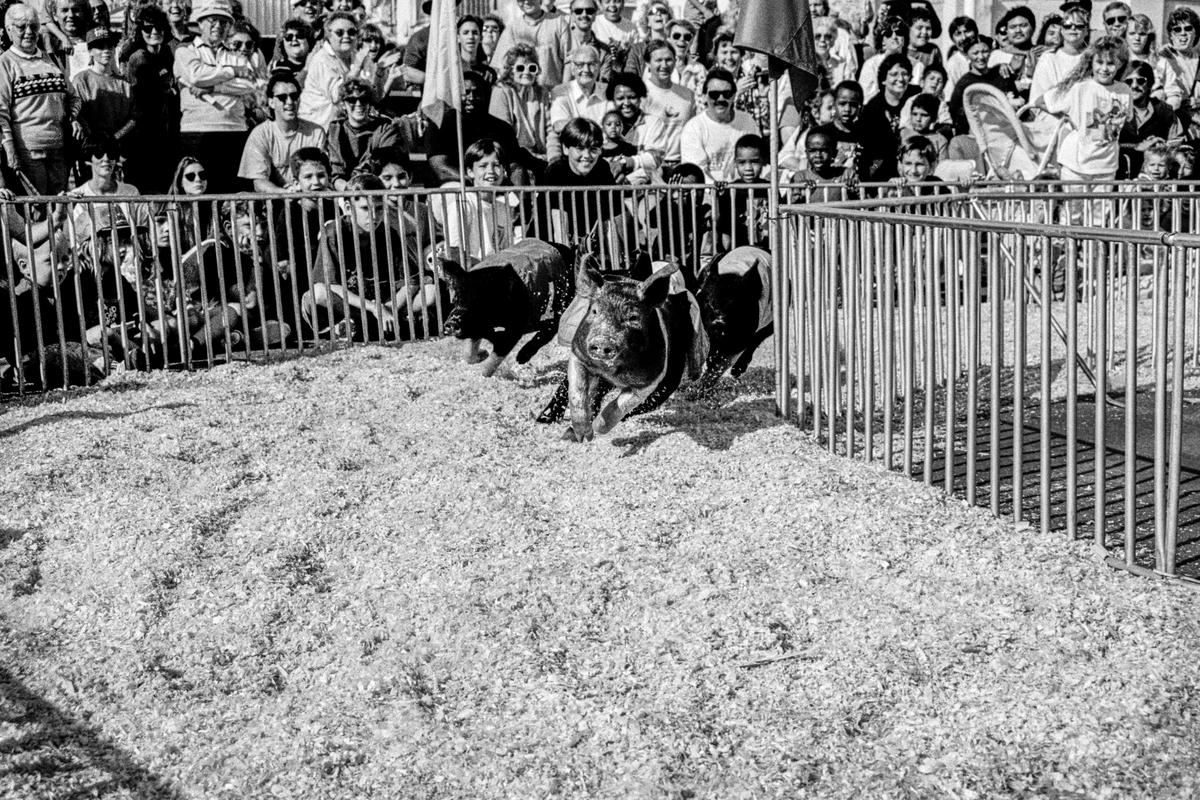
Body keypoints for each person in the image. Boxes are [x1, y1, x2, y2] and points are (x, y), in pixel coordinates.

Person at [302, 171, 416, 342]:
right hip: (350, 304)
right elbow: (328, 284)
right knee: (317, 294)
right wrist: (372, 307)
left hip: (383, 302)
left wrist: (388, 307)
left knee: (430, 292)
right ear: (348, 208)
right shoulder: (334, 232)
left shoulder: (388, 232)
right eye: (364, 208)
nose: (374, 216)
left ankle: (366, 325)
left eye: (379, 208)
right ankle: (355, 324)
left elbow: (411, 281)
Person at [1034, 36, 1132, 202]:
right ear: (1091, 62)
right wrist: (1067, 116)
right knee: (1073, 214)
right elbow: (1040, 101)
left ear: (1120, 64)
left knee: (1099, 217)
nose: (1104, 68)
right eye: (1099, 62)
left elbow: (1123, 120)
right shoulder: (1080, 87)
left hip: (1106, 165)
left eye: (1111, 63)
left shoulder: (1124, 90)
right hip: (1076, 164)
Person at [173, 0, 257, 193]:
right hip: (196, 132)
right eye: (212, 20)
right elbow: (196, 75)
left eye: (223, 21)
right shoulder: (185, 51)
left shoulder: (236, 54)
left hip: (235, 130)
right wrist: (231, 71)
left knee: (231, 192)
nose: (217, 26)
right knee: (198, 190)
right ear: (200, 23)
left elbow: (249, 84)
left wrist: (213, 87)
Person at [0, 3, 76, 195]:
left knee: (60, 209)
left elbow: (73, 97)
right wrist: (9, 150)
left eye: (34, 26)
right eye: (21, 27)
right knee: (38, 213)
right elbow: (1, 113)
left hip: (59, 150)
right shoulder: (5, 63)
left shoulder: (50, 60)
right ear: (9, 30)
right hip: (28, 151)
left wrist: (73, 118)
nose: (28, 32)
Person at [425, 70, 532, 186]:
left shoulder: (502, 128)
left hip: (496, 186)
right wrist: (477, 182)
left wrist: (517, 197)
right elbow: (441, 169)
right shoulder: (439, 125)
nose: (471, 97)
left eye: (477, 93)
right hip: (457, 188)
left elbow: (515, 167)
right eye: (466, 93)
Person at [431, 137, 523, 265]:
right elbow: (454, 252)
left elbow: (506, 250)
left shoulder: (503, 209)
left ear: (503, 171)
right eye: (483, 166)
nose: (490, 171)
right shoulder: (463, 204)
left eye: (496, 165)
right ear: (470, 172)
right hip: (472, 274)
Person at [239, 71, 327, 193]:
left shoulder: (316, 132)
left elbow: (323, 174)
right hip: (276, 201)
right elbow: (259, 182)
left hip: (311, 196)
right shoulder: (260, 134)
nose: (289, 102)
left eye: (294, 96)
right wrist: (286, 194)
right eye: (282, 97)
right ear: (271, 102)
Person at [539, 117, 615, 244]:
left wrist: (616, 263)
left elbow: (609, 223)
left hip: (584, 242)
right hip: (547, 245)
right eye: (580, 148)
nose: (587, 155)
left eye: (594, 149)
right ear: (565, 149)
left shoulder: (602, 168)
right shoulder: (556, 172)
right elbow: (560, 231)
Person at [299, 12, 375, 131]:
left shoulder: (356, 56)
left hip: (342, 126)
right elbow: (337, 95)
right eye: (339, 33)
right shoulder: (322, 60)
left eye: (351, 32)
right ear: (328, 36)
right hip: (317, 128)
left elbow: (369, 90)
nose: (346, 36)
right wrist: (357, 68)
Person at [679, 67, 757, 183]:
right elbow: (697, 172)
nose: (721, 99)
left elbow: (758, 160)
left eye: (727, 94)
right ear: (705, 96)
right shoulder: (694, 128)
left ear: (734, 95)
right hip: (708, 195)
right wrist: (719, 190)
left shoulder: (747, 121)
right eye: (714, 94)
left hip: (744, 192)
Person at [72, 26, 134, 160]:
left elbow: (133, 119)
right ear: (90, 51)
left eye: (110, 46)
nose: (106, 51)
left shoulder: (125, 83)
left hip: (119, 150)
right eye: (100, 47)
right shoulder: (81, 80)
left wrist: (115, 137)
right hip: (91, 151)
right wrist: (93, 138)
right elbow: (76, 115)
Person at [324, 78, 398, 187]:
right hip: (344, 192)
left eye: (363, 99)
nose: (358, 104)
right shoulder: (335, 129)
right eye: (352, 100)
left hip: (377, 188)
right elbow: (336, 172)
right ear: (343, 104)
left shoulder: (384, 127)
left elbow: (379, 162)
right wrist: (349, 192)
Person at [1118, 60, 1184, 178]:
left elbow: (1177, 144)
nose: (1134, 86)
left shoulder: (1165, 111)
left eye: (1140, 80)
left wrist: (1160, 146)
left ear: (1150, 83)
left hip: (1155, 182)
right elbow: (1102, 145)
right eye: (1128, 81)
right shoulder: (1113, 110)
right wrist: (1136, 147)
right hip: (1119, 178)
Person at [858, 52, 917, 181]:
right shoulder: (872, 109)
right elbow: (870, 152)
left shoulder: (914, 99)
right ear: (884, 79)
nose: (900, 79)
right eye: (894, 74)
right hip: (879, 165)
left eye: (905, 74)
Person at [489, 43, 550, 159]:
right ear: (511, 71)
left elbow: (550, 131)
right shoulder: (501, 92)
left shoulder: (541, 93)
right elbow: (502, 138)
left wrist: (553, 157)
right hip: (512, 156)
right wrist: (533, 157)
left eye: (532, 68)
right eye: (520, 68)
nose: (526, 72)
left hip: (540, 155)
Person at [949, 35, 1019, 136]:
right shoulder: (964, 83)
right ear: (967, 55)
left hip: (1008, 130)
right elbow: (957, 113)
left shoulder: (1001, 73)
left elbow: (1016, 100)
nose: (981, 57)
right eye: (975, 53)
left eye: (985, 51)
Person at [488, 0, 570, 87]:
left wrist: (562, 91)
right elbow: (500, 66)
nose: (526, 2)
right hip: (521, 94)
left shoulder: (558, 23)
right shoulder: (512, 29)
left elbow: (569, 61)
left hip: (552, 93)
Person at [640, 41, 693, 172]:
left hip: (680, 164)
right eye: (658, 60)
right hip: (650, 165)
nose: (664, 65)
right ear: (648, 63)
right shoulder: (639, 94)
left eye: (668, 60)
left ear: (675, 61)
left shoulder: (687, 95)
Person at [547, 44, 607, 158]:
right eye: (580, 65)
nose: (586, 70)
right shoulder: (560, 92)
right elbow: (559, 125)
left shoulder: (608, 91)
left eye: (591, 64)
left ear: (599, 67)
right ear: (573, 69)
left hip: (606, 153)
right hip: (576, 157)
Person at [713, 133, 769, 249]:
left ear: (763, 161)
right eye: (742, 162)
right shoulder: (730, 189)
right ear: (735, 163)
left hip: (765, 249)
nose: (748, 168)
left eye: (754, 162)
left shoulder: (769, 188)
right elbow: (723, 223)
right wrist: (721, 194)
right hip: (737, 250)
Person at [1030, 5, 1088, 105]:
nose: (1073, 28)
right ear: (1062, 30)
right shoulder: (1048, 58)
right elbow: (1038, 100)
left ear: (1086, 31)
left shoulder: (1092, 57)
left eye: (1079, 26)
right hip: (1052, 116)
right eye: (1067, 25)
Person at [1155, 8, 1200, 126]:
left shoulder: (1198, 59)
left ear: (1196, 33)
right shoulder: (1162, 58)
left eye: (1188, 28)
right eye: (1177, 29)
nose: (1183, 33)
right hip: (1171, 123)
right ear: (1171, 34)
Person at [557, 0, 612, 85]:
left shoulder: (604, 51)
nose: (584, 14)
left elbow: (603, 85)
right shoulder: (559, 43)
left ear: (595, 15)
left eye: (589, 11)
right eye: (578, 11)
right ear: (572, 15)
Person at [989, 5, 1037, 102]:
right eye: (1012, 27)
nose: (1018, 31)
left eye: (1023, 26)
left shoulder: (1041, 54)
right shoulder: (996, 56)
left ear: (1033, 28)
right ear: (1007, 31)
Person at [900, 93, 948, 160]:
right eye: (914, 114)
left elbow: (942, 167)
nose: (918, 119)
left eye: (924, 115)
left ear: (934, 118)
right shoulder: (903, 134)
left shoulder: (940, 140)